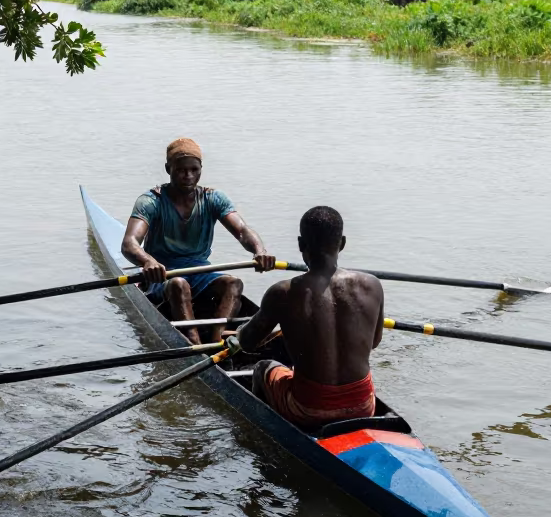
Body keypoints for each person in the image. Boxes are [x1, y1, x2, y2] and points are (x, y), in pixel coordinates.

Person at [234, 206, 384, 430]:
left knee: (263, 367)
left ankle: (266, 433)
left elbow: (247, 342)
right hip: (363, 406)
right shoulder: (373, 285)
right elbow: (373, 342)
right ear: (342, 243)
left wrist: (237, 333)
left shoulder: (282, 292)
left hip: (308, 410)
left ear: (301, 244)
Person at [122, 137, 275, 344]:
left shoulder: (213, 198)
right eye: (181, 170)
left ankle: (217, 343)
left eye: (194, 170)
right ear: (168, 169)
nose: (188, 176)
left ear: (201, 169)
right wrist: (147, 261)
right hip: (163, 274)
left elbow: (242, 231)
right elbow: (129, 243)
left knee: (234, 284)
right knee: (178, 284)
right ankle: (195, 345)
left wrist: (259, 250)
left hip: (199, 271)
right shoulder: (151, 201)